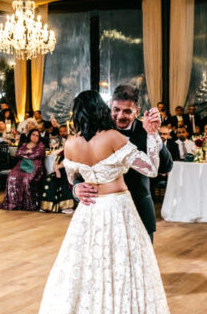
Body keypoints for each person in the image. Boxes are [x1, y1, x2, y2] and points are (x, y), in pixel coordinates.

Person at [0, 90, 175, 314]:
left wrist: (76, 186)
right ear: (102, 110)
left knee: (86, 280)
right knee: (123, 278)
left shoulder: (72, 144)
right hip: (117, 212)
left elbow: (71, 177)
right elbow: (152, 168)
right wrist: (154, 136)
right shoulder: (113, 138)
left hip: (89, 216)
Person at [72, 85, 173, 241]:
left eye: (127, 111)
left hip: (139, 209)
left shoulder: (146, 130)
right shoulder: (96, 131)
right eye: (116, 110)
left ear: (137, 111)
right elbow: (81, 168)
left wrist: (155, 136)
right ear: (110, 105)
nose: (120, 116)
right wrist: (76, 188)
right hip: (103, 215)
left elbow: (166, 167)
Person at [0, 128, 46, 211]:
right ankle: (13, 203)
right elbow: (18, 153)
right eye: (33, 135)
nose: (35, 137)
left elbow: (38, 154)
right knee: (11, 176)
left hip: (34, 166)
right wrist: (27, 152)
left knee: (25, 179)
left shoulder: (40, 145)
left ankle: (25, 203)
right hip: (22, 165)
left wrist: (26, 155)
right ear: (30, 135)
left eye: (37, 136)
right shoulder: (24, 145)